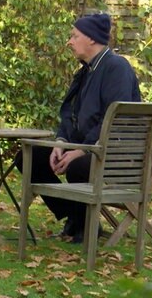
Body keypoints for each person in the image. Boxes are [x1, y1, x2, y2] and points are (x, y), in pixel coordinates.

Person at [15, 13, 141, 243]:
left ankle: (84, 225)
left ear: (91, 39)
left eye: (74, 36)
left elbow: (115, 120)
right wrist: (62, 142)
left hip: (116, 155)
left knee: (77, 166)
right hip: (88, 148)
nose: (69, 42)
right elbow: (72, 117)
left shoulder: (116, 67)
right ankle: (76, 216)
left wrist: (82, 150)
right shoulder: (86, 72)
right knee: (28, 157)